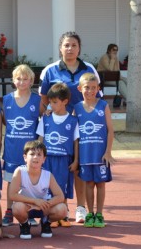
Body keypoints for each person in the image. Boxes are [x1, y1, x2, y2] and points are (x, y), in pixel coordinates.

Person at [39, 31, 101, 223]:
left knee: (79, 166)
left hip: (83, 125)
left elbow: (97, 98)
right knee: (60, 167)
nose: (70, 49)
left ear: (79, 48)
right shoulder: (50, 70)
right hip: (58, 126)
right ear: (60, 48)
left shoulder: (88, 68)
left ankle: (81, 207)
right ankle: (60, 207)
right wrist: (47, 114)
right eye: (66, 45)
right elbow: (43, 100)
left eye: (74, 45)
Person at [1, 65, 42, 227]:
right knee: (12, 180)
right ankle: (9, 210)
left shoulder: (36, 100)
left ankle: (28, 211)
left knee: (28, 180)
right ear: (13, 80)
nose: (22, 81)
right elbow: (5, 121)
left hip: (30, 150)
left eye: (25, 79)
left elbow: (43, 118)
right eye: (18, 78)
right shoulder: (7, 99)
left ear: (31, 81)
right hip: (12, 147)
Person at [74, 73, 116, 228]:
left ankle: (99, 214)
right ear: (80, 88)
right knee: (89, 184)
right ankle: (90, 213)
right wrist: (77, 158)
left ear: (98, 88)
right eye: (86, 88)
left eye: (93, 88)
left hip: (100, 155)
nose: (90, 91)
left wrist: (108, 152)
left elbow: (110, 130)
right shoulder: (77, 108)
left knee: (100, 184)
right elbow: (75, 136)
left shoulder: (103, 105)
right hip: (85, 155)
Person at [36, 82, 79, 228]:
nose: (51, 106)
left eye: (54, 102)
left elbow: (75, 142)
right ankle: (48, 216)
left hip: (64, 160)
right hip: (48, 160)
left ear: (65, 101)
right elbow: (40, 140)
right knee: (47, 189)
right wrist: (39, 158)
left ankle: (63, 215)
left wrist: (76, 160)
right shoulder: (46, 119)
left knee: (62, 188)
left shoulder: (73, 121)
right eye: (50, 102)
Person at [8, 140, 68, 240]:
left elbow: (60, 196)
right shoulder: (19, 172)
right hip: (27, 207)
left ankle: (46, 223)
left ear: (44, 159)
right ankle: (24, 224)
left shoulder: (48, 175)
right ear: (25, 157)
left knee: (62, 209)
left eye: (39, 154)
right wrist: (35, 202)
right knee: (16, 208)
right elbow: (12, 195)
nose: (35, 157)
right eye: (32, 154)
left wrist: (44, 204)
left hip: (43, 208)